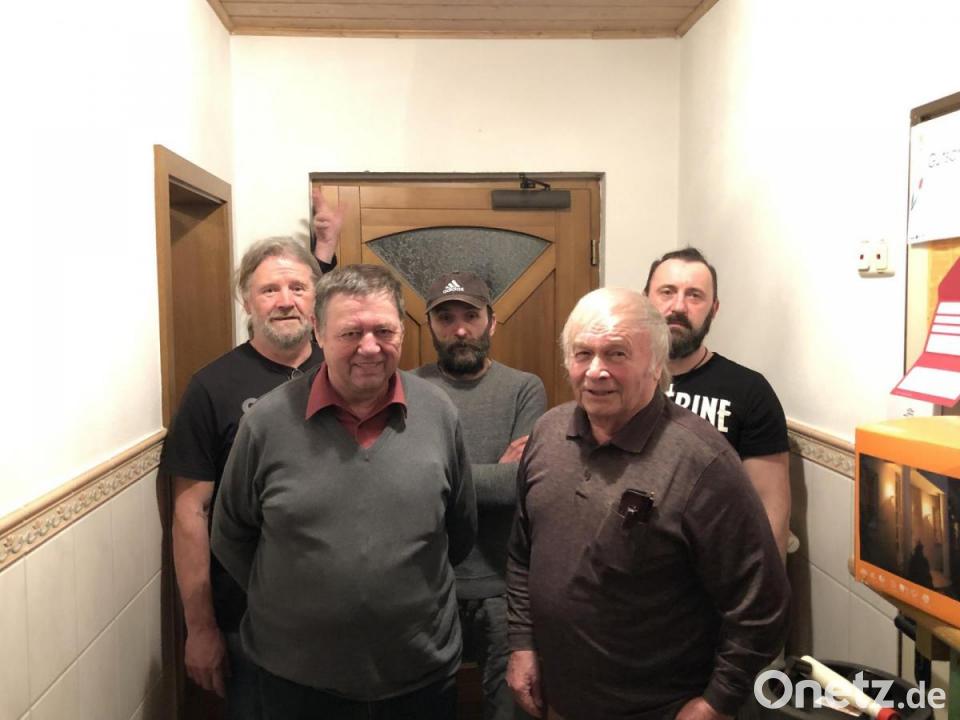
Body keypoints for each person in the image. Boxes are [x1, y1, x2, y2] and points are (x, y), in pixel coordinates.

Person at [506, 288, 790, 720]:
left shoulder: (702, 461)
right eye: (582, 354)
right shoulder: (547, 433)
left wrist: (718, 702)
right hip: (557, 701)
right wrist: (522, 643)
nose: (596, 371)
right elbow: (521, 554)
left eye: (616, 353)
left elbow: (762, 602)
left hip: (660, 709)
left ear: (656, 364)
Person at [211, 264, 477, 720]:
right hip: (296, 682)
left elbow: (459, 531)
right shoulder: (266, 423)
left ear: (402, 331)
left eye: (383, 331)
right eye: (351, 332)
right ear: (318, 331)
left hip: (420, 676)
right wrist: (298, 596)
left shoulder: (438, 412)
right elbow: (231, 535)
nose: (369, 347)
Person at [160, 193, 343, 717]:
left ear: (316, 298)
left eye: (297, 287)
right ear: (246, 301)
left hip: (344, 616)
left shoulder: (349, 373)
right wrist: (200, 628)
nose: (285, 300)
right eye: (269, 289)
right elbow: (189, 512)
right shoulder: (211, 387)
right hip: (246, 617)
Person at [414, 271, 547, 720]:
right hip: (427, 586)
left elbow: (516, 486)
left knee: (510, 709)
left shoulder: (524, 388)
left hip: (504, 590)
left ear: (492, 322)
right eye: (445, 318)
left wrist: (439, 475)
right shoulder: (409, 389)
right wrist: (492, 472)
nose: (459, 330)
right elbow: (409, 489)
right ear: (430, 326)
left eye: (470, 316)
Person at [644, 247, 791, 558]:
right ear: (646, 300)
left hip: (715, 568)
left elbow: (770, 509)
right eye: (667, 292)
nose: (678, 306)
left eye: (694, 295)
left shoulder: (749, 391)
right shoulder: (618, 380)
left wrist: (768, 583)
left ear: (714, 309)